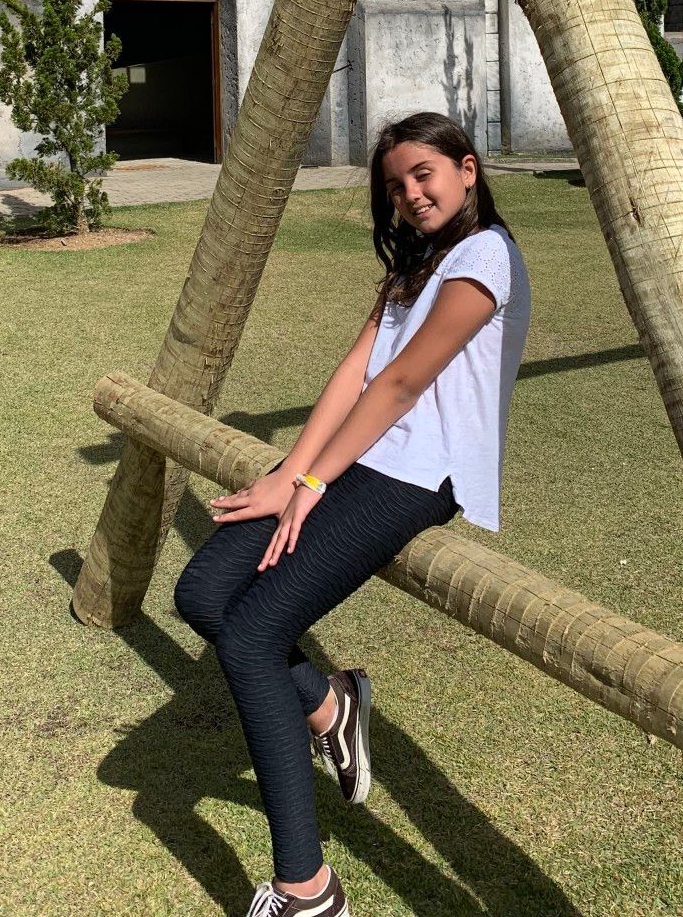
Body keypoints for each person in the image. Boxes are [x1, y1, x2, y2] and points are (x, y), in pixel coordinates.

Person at [173, 111, 532, 917]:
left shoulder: (485, 257)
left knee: (254, 634)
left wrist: (309, 486)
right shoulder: (419, 260)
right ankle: (334, 708)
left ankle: (307, 888)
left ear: (467, 170)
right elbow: (356, 371)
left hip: (419, 474)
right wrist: (291, 473)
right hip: (354, 457)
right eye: (397, 185)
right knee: (202, 594)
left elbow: (403, 386)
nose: (410, 194)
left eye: (423, 175)